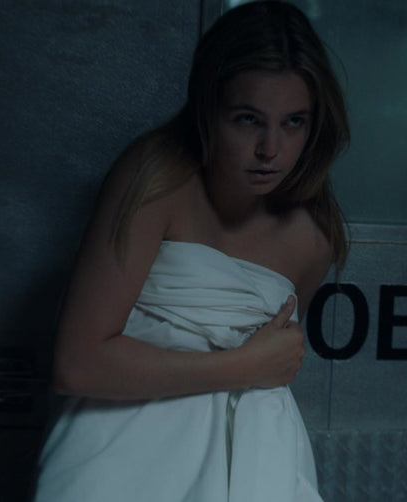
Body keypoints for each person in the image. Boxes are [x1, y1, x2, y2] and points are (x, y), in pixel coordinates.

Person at [32, 2, 348, 501]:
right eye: (248, 119)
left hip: (257, 456)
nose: (270, 149)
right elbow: (77, 364)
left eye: (293, 122)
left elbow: (276, 364)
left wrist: (258, 367)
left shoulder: (315, 235)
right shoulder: (156, 177)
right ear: (208, 108)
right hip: (120, 456)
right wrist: (243, 367)